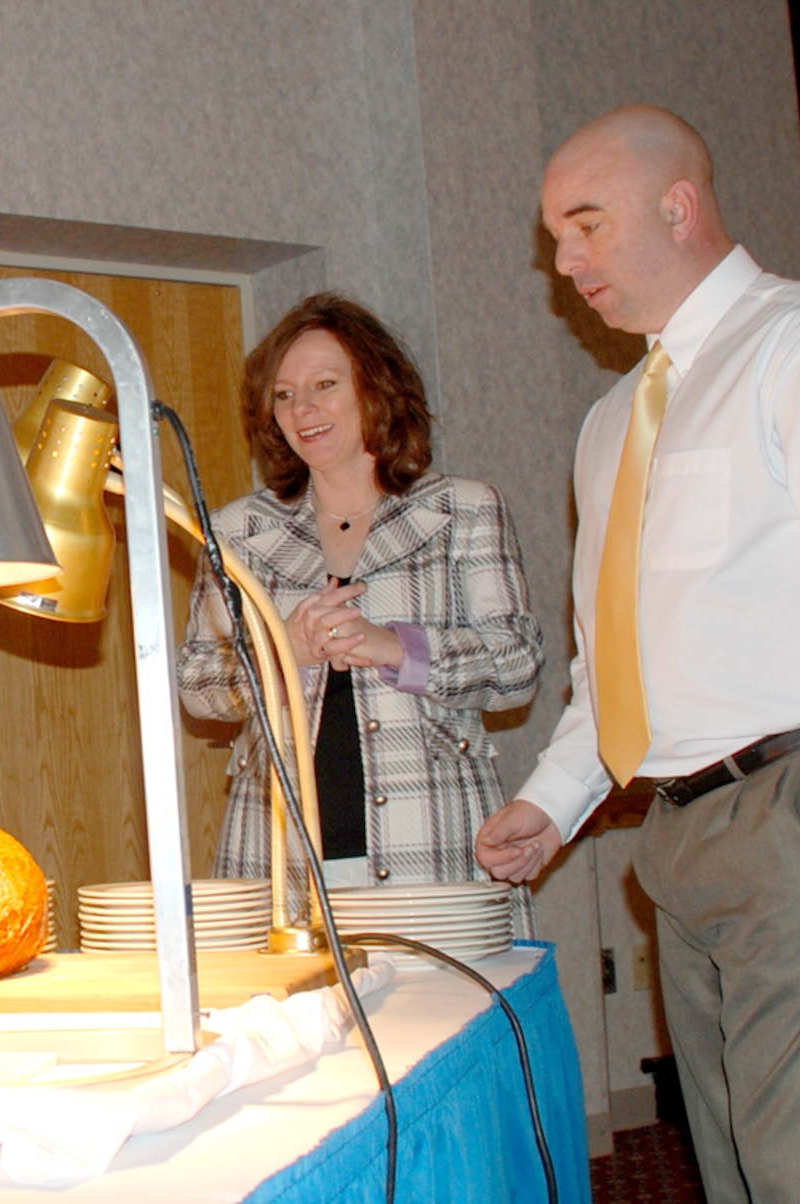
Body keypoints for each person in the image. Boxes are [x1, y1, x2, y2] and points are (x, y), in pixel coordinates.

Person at [476, 104, 800, 1201]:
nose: (565, 261)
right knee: (734, 1174)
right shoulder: (608, 422)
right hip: (674, 841)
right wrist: (553, 799)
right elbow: (616, 656)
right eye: (553, 239)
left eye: (584, 225)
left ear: (677, 206)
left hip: (798, 820)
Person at [177, 294, 544, 933]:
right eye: (285, 395)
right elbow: (196, 687)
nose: (303, 410)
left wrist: (395, 646)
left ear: (376, 389)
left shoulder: (463, 511)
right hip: (278, 860)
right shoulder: (237, 532)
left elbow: (516, 665)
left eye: (324, 385)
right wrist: (283, 647)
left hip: (433, 847)